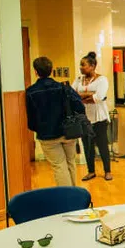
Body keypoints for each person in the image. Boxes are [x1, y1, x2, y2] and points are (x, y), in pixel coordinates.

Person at [26, 56, 85, 187]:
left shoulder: (31, 92)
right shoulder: (64, 87)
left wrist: (39, 129)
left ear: (35, 71)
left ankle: (67, 198)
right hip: (69, 132)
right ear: (51, 70)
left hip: (47, 136)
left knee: (59, 166)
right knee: (70, 162)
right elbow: (80, 106)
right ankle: (75, 196)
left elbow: (31, 119)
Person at [71, 52, 112, 181]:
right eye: (80, 65)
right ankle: (91, 171)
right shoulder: (78, 80)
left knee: (102, 145)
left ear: (93, 66)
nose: (81, 67)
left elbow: (98, 97)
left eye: (84, 65)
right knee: (87, 146)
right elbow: (72, 95)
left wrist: (82, 96)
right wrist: (88, 95)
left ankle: (107, 171)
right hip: (84, 119)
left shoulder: (102, 80)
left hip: (99, 118)